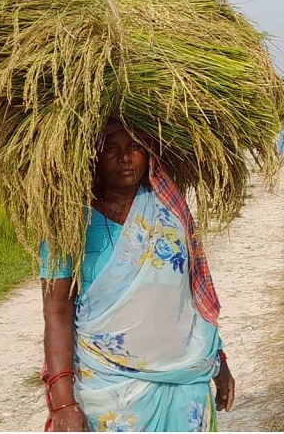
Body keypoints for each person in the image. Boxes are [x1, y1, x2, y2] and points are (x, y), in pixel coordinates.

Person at [39, 121, 236, 432]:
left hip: (184, 382)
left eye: (134, 148)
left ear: (150, 155)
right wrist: (63, 401)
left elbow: (191, 294)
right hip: (109, 389)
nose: (125, 158)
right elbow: (57, 312)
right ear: (92, 157)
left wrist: (219, 360)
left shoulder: (170, 210)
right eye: (112, 150)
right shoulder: (69, 222)